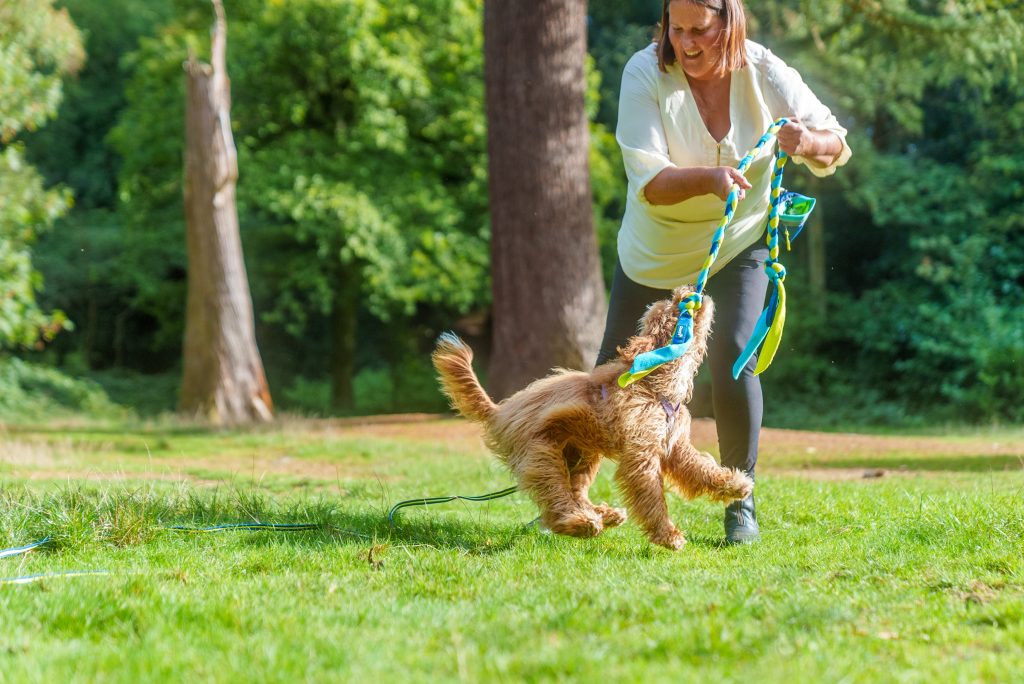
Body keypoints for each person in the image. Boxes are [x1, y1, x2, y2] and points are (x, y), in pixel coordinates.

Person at [596, 0, 851, 543]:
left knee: (735, 358)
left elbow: (835, 142)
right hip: (655, 251)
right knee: (610, 377)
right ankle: (571, 493)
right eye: (676, 28)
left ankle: (741, 499)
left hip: (737, 244)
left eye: (699, 30)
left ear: (728, 24)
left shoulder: (764, 70)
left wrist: (806, 143)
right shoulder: (644, 72)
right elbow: (650, 180)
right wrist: (711, 178)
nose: (686, 43)